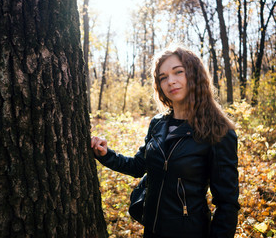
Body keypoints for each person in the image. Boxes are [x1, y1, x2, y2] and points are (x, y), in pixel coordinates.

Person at [91, 45, 240, 238]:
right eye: (163, 77)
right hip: (152, 229)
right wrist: (106, 155)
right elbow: (138, 165)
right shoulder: (157, 124)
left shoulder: (218, 131)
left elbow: (227, 204)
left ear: (194, 75)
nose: (171, 81)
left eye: (178, 72)